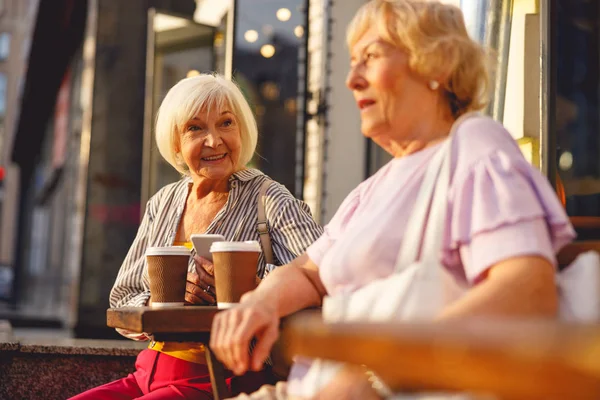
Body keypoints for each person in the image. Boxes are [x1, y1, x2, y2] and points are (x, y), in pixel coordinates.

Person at [209, 1, 576, 399]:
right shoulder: (374, 187)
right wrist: (260, 303)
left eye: (370, 57)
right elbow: (309, 273)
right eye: (352, 62)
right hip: (317, 387)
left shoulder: (473, 145)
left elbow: (528, 292)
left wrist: (379, 377)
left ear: (436, 63)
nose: (351, 79)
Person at [70, 73, 323, 400]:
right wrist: (161, 306)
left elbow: (327, 273)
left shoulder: (269, 198)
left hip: (222, 379)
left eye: (226, 124)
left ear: (242, 130)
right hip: (147, 371)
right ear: (175, 142)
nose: (214, 141)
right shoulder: (163, 201)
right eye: (195, 128)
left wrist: (254, 286)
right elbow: (123, 298)